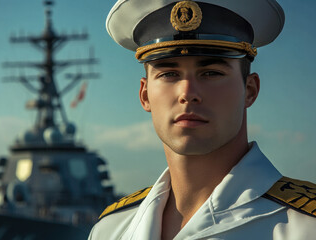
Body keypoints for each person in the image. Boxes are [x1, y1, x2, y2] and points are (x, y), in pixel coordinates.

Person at [89, 0, 316, 239]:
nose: (187, 93)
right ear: (145, 95)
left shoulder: (306, 228)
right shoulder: (109, 230)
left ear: (250, 90)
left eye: (211, 73)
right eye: (169, 74)